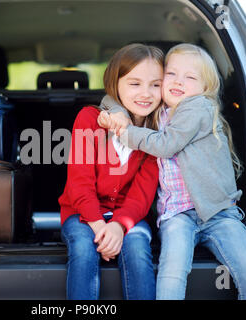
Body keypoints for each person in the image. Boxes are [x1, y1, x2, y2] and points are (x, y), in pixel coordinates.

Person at [97, 43, 246, 300]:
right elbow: (111, 98)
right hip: (177, 215)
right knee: (171, 274)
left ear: (205, 88)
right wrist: (119, 113)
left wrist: (125, 132)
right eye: (171, 74)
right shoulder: (157, 111)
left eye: (190, 77)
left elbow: (166, 145)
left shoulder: (198, 108)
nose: (179, 81)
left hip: (218, 213)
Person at [58, 43, 163, 300]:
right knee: (84, 249)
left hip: (128, 216)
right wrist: (100, 228)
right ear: (115, 84)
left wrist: (118, 226)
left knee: (138, 248)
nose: (146, 93)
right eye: (135, 83)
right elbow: (79, 183)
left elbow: (143, 193)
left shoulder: (157, 136)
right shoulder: (89, 119)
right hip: (82, 214)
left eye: (155, 84)